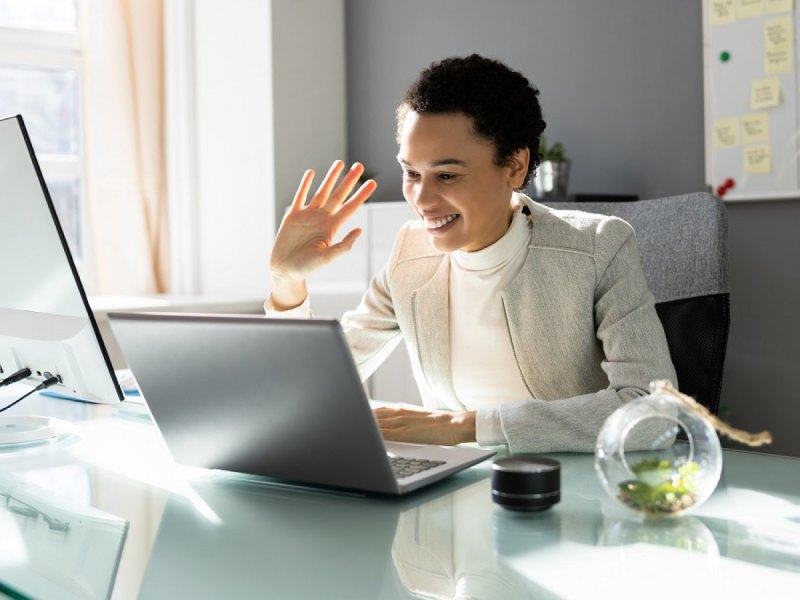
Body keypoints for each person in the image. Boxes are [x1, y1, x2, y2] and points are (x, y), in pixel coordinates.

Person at [266, 54, 676, 453]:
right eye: (411, 173)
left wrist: (463, 427)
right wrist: (286, 282)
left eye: (447, 175)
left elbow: (654, 412)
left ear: (514, 167)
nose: (422, 199)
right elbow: (307, 392)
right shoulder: (410, 254)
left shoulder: (598, 248)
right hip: (454, 487)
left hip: (566, 491)